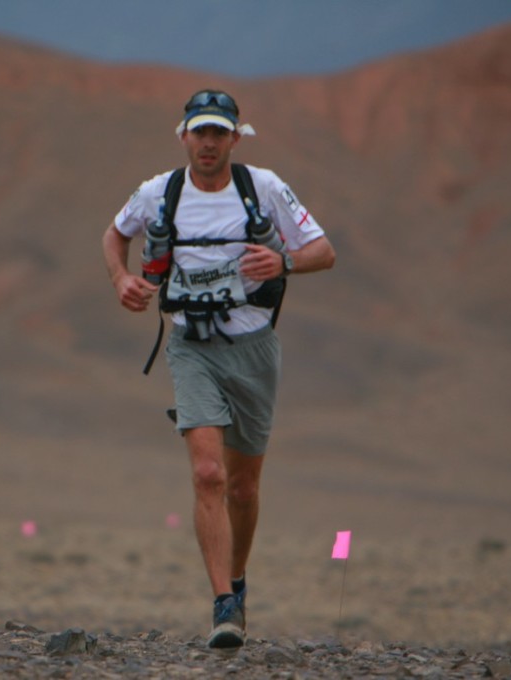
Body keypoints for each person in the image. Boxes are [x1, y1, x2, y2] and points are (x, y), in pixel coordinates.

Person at [101, 90, 335, 648]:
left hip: (254, 346)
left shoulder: (265, 188)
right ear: (183, 135)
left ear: (235, 137)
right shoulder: (160, 192)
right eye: (199, 132)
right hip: (189, 345)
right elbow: (115, 235)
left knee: (244, 487)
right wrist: (120, 278)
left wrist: (283, 260)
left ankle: (237, 580)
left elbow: (323, 250)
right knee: (208, 474)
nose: (208, 143)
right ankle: (223, 608)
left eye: (218, 133)